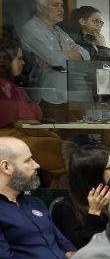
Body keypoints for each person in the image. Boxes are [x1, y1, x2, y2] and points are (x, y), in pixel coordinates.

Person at [0, 136, 74, 259]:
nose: (36, 165)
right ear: (6, 167)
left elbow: (64, 244)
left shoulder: (34, 203)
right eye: (28, 160)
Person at [0, 44, 68, 186]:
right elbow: (23, 123)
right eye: (19, 59)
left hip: (27, 136)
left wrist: (45, 123)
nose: (23, 63)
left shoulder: (12, 87)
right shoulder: (4, 88)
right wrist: (48, 132)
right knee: (67, 154)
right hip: (16, 141)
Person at [18, 0, 90, 107]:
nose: (61, 10)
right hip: (48, 99)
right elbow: (55, 60)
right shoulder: (30, 29)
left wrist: (60, 55)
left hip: (70, 97)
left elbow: (86, 56)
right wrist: (64, 56)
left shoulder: (58, 30)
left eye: (61, 5)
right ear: (40, 7)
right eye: (55, 5)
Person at [53, 145, 110, 250]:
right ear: (94, 174)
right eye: (109, 167)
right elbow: (83, 248)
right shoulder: (64, 208)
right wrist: (94, 213)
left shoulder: (107, 196)